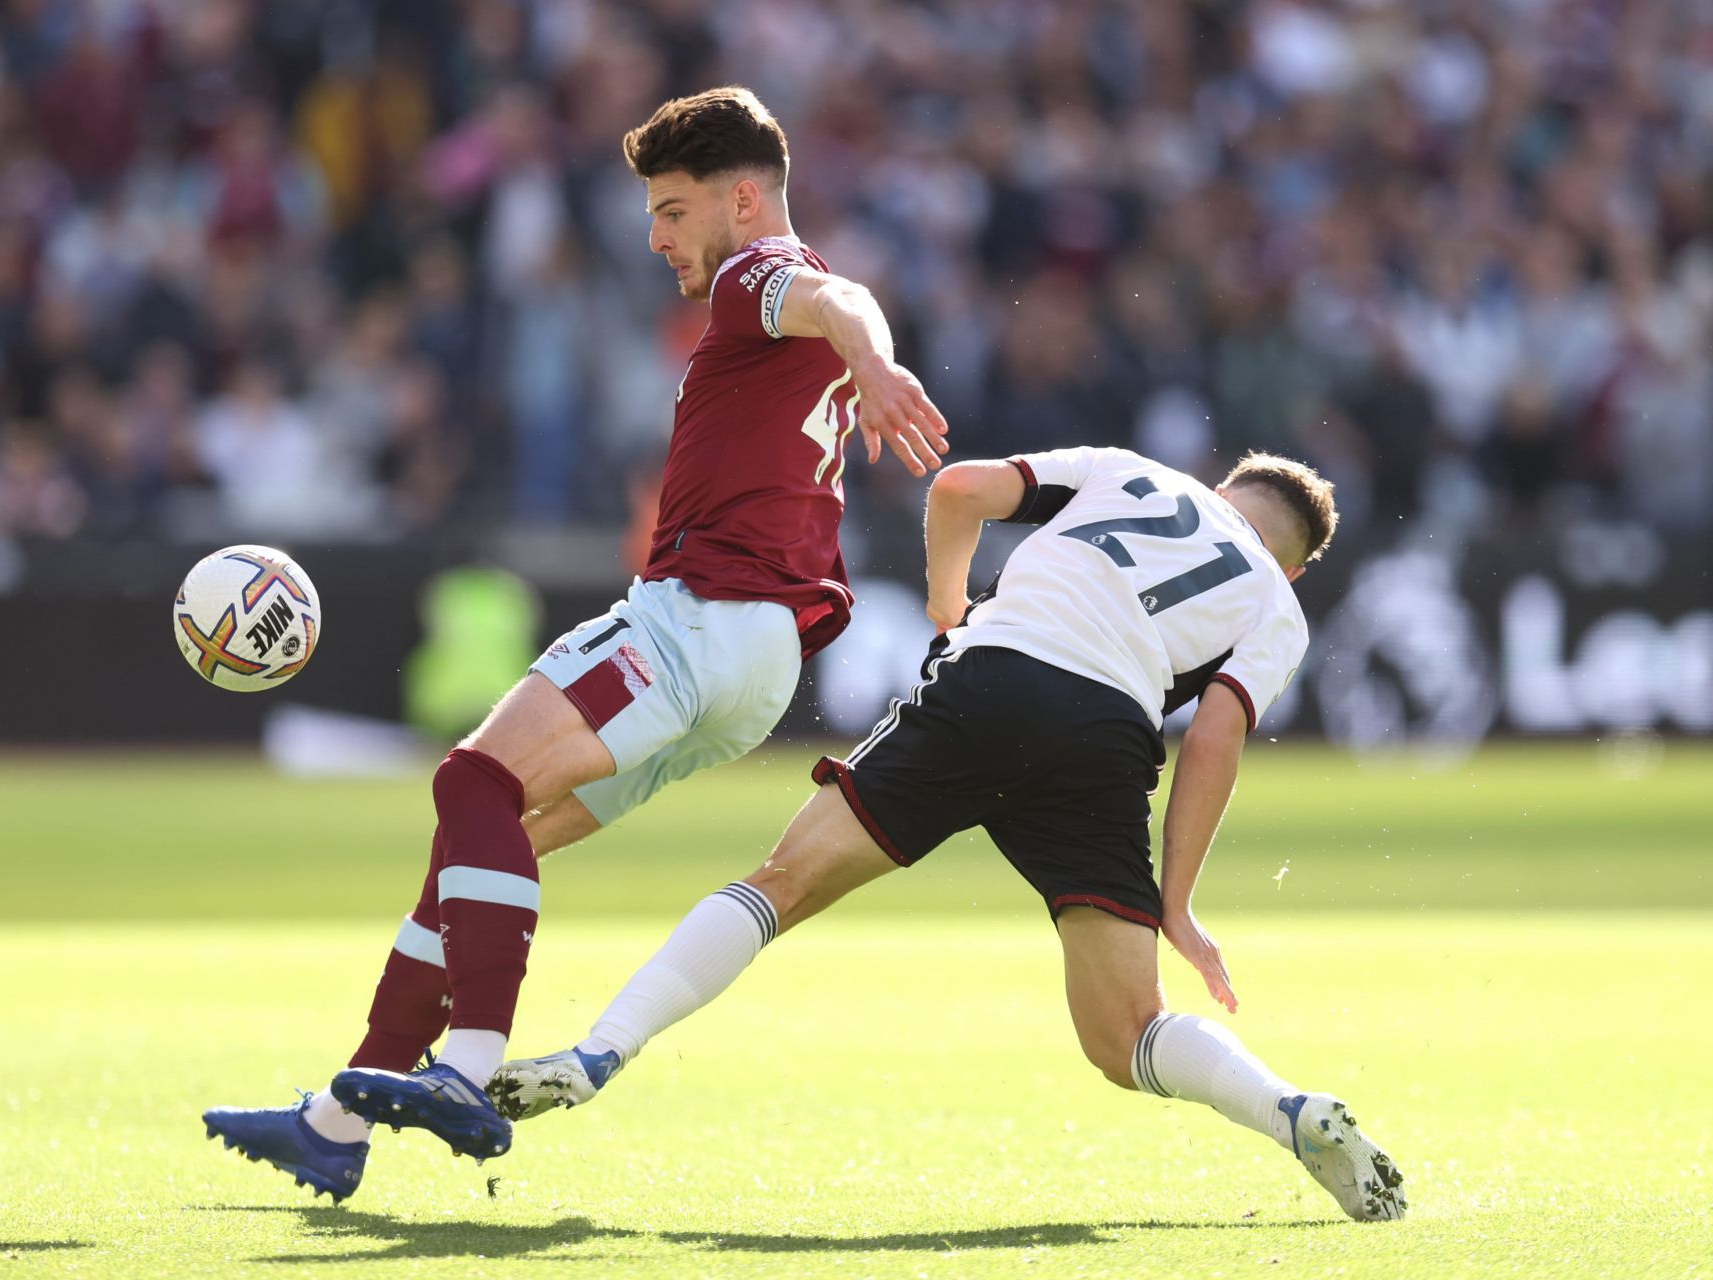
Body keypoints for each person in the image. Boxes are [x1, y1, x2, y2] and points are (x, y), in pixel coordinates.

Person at [202, 85, 949, 1200]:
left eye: (674, 210)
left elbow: (837, 299)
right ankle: (340, 1114)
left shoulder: (758, 277)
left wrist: (878, 361)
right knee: (475, 845)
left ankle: (463, 1067)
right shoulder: (782, 300)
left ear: (744, 201)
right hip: (762, 666)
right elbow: (847, 304)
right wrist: (871, 356)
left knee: (471, 780)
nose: (655, 236)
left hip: (699, 617)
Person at [488, 446, 1409, 1223]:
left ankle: (598, 1051)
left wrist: (945, 601)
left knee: (781, 885)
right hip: (1102, 741)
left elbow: (960, 488)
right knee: (1126, 1035)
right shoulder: (1275, 606)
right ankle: (1288, 1111)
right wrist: (1180, 903)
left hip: (993, 677)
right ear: (1292, 564)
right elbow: (1214, 738)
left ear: (1219, 489)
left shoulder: (1130, 473)